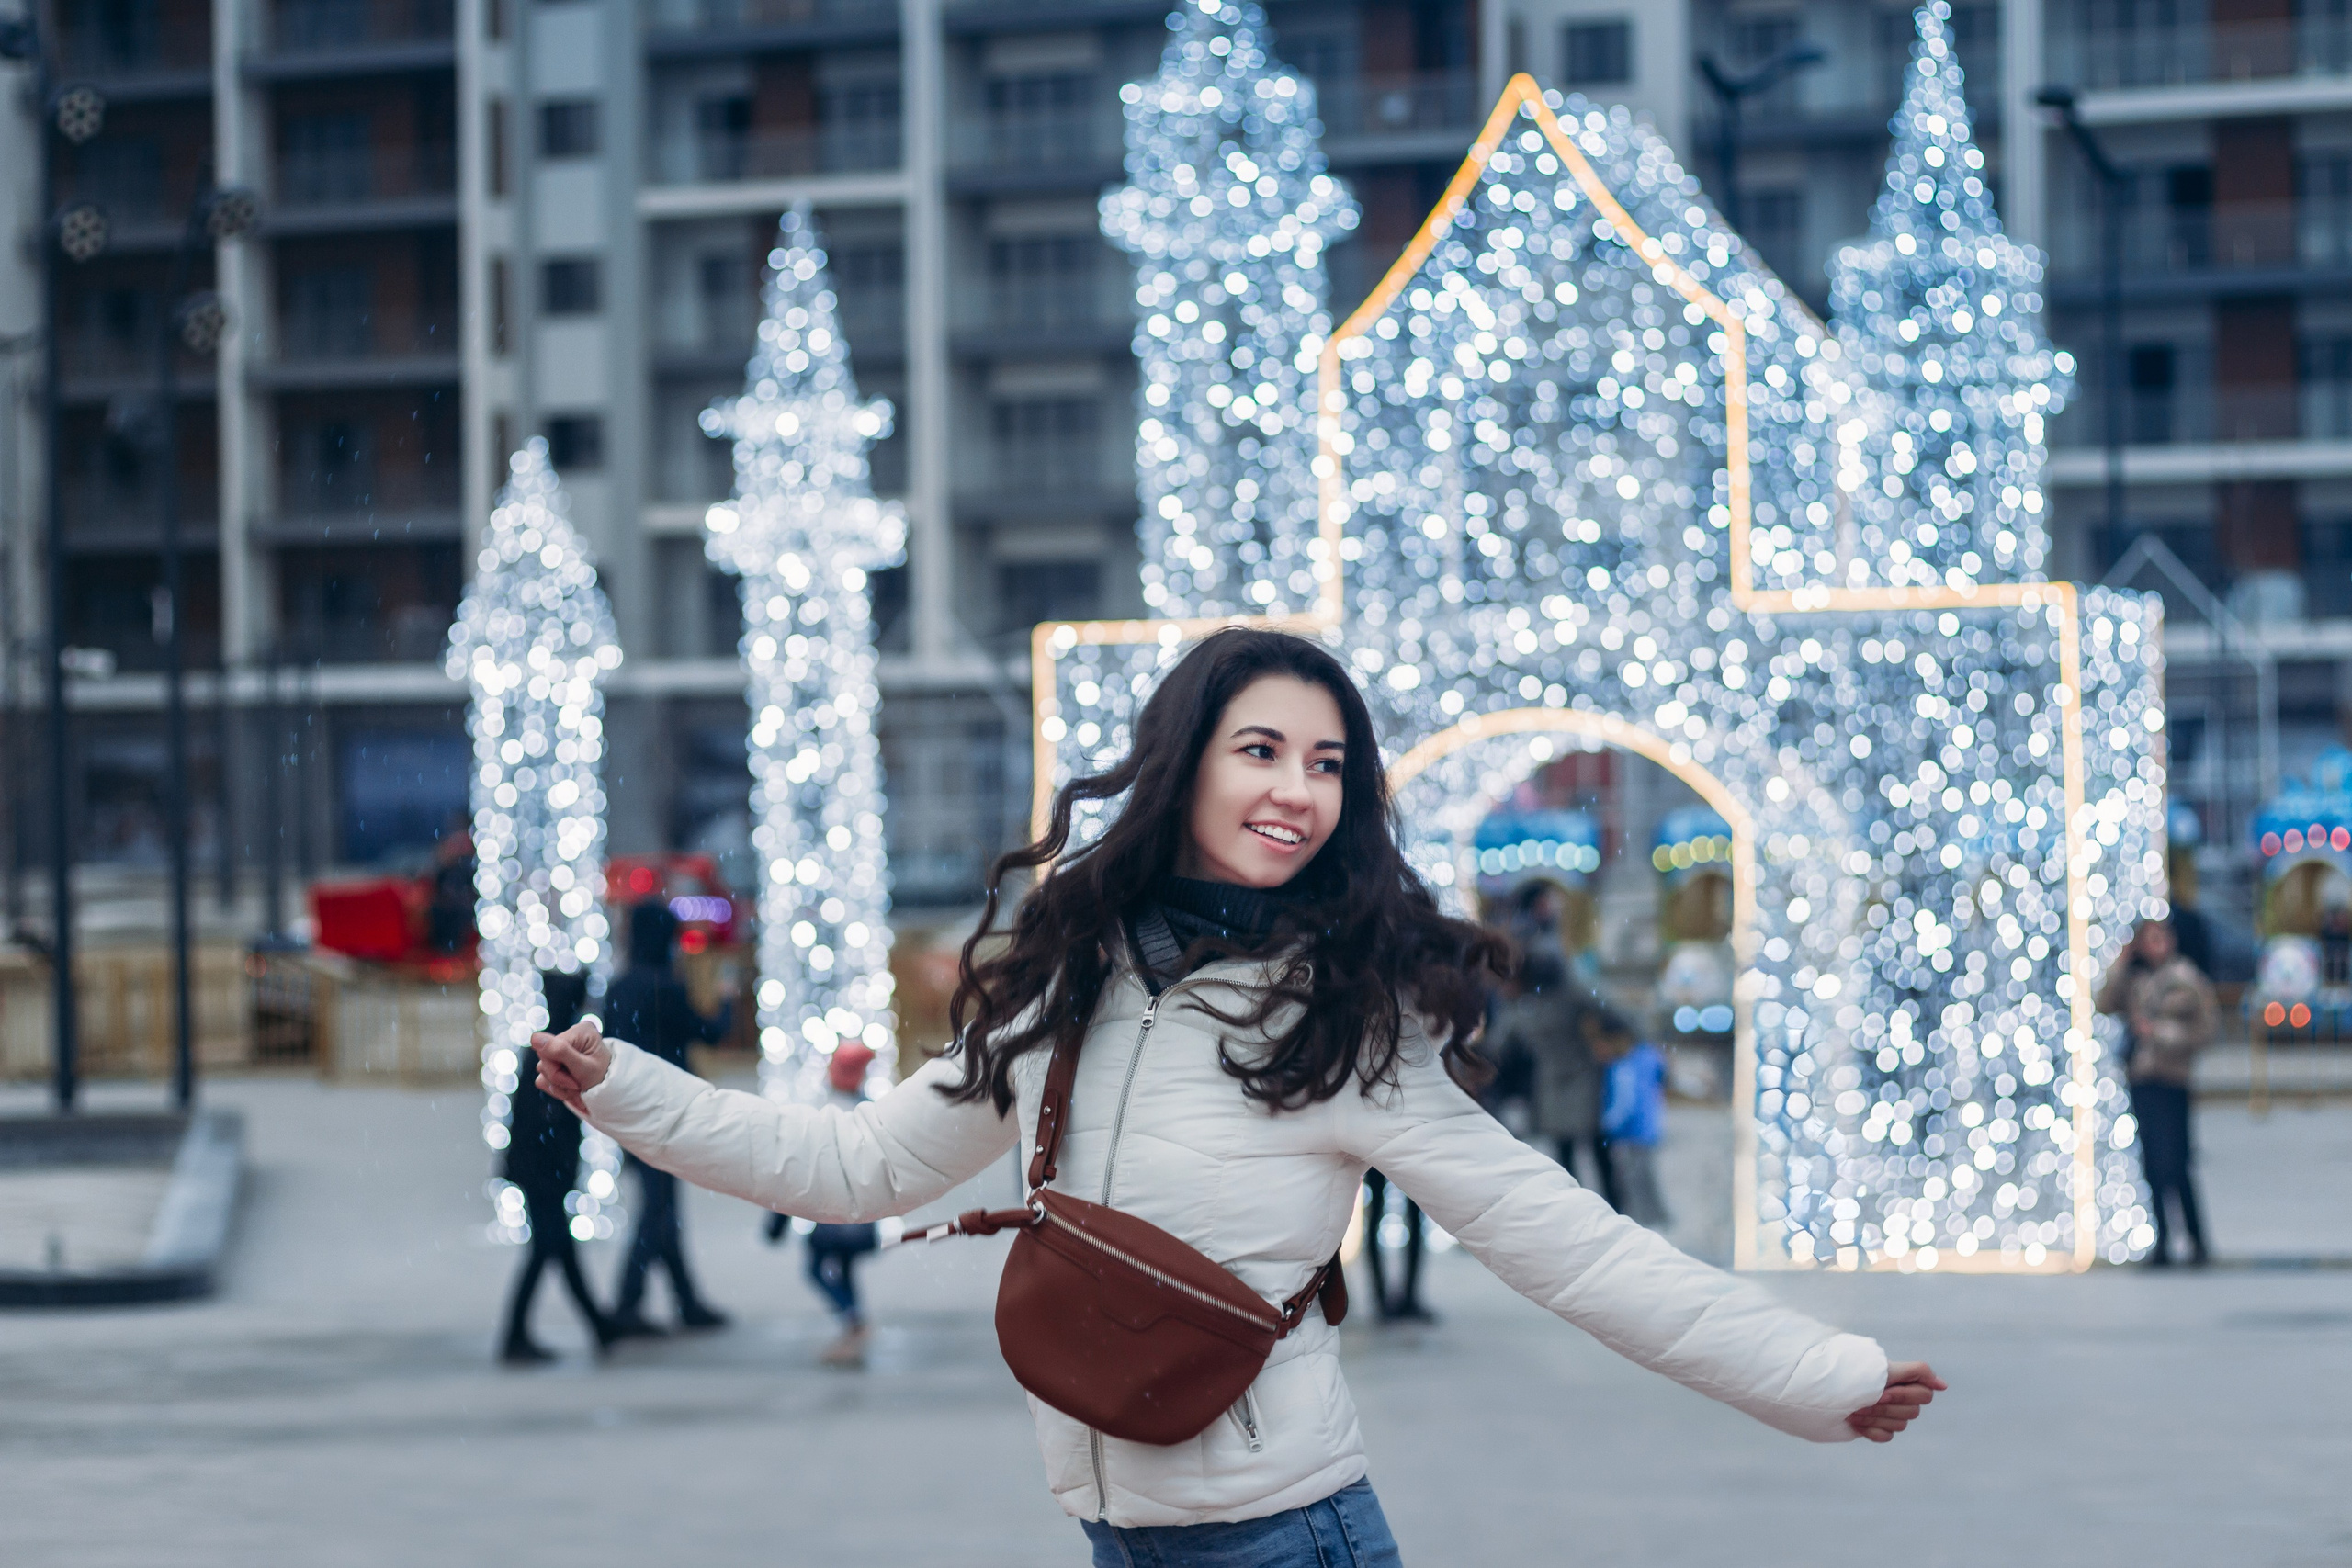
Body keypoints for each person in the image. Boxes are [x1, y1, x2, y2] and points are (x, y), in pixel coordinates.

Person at [534, 629, 1942, 1563]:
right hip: (1115, 1529)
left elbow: (1565, 1239)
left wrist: (1816, 1376)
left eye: (1328, 764)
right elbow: (859, 1167)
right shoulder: (1065, 980)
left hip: (1283, 1532)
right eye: (1261, 749)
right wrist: (626, 1087)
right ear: (1186, 762)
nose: (1297, 789)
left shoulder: (1343, 1016)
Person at [603, 899, 735, 1336]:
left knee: (662, 1206)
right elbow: (709, 1033)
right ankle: (629, 1302)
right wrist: (726, 999)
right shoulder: (665, 986)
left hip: (628, 1110)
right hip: (668, 1109)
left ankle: (684, 1300)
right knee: (659, 1209)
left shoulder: (620, 988)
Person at [497, 970, 615, 1364]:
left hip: (540, 1170)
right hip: (543, 1173)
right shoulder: (553, 1055)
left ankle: (597, 1326)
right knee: (548, 1250)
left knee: (558, 1250)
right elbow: (545, 1121)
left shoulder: (543, 1050)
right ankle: (517, 1336)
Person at [2097, 918, 2218, 1267]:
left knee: (2177, 1162)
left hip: (2172, 1077)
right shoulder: (2135, 980)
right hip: (2142, 1076)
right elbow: (2103, 1003)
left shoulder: (2185, 979)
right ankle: (2163, 1239)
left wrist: (2160, 1033)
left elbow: (2206, 1030)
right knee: (2151, 1162)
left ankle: (2196, 1240)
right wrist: (2120, 963)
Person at [765, 1042, 885, 1367]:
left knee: (817, 1269)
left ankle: (854, 1321)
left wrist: (777, 1220)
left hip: (833, 1214)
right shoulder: (867, 1112)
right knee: (842, 1269)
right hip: (860, 1213)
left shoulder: (826, 1116)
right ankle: (853, 1326)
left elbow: (798, 1169)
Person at [1487, 946, 1620, 1208]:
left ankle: (1585, 1209)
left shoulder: (1532, 1003)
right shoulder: (1557, 995)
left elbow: (1498, 1044)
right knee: (1587, 1150)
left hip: (1568, 1082)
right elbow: (1610, 1012)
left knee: (1579, 1151)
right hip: (1571, 1081)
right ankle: (1599, 1208)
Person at [1599, 1028, 1670, 1230]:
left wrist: (1608, 1124)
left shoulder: (1624, 1066)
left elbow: (1624, 1103)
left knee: (1632, 1179)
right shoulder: (1648, 1058)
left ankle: (1640, 1219)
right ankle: (1657, 1216)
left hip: (1631, 1132)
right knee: (1646, 1176)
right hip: (1648, 1128)